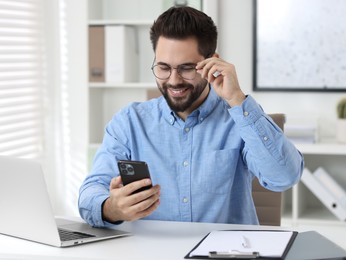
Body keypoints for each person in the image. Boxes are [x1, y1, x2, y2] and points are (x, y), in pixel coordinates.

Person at [79, 6, 304, 227]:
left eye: (186, 68)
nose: (174, 80)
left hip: (226, 252)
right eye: (163, 67)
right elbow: (90, 192)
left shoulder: (238, 119)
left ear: (211, 62)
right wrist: (111, 208)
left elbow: (284, 177)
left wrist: (236, 98)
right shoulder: (129, 122)